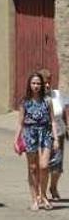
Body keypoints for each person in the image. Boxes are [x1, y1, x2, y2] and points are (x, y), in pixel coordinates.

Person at [15, 72, 61, 211]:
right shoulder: (25, 102)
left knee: (44, 166)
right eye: (33, 83)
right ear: (30, 85)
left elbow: (53, 120)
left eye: (38, 83)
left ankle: (44, 195)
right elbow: (20, 122)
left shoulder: (47, 101)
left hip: (45, 134)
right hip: (30, 134)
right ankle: (35, 199)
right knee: (33, 168)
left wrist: (56, 138)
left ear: (42, 85)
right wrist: (16, 139)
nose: (36, 86)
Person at [41, 69, 67, 201]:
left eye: (49, 82)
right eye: (44, 82)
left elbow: (63, 112)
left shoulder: (57, 94)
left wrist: (67, 128)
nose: (47, 85)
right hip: (42, 135)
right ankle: (42, 193)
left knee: (57, 166)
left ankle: (53, 187)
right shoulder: (36, 97)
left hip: (59, 133)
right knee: (43, 165)